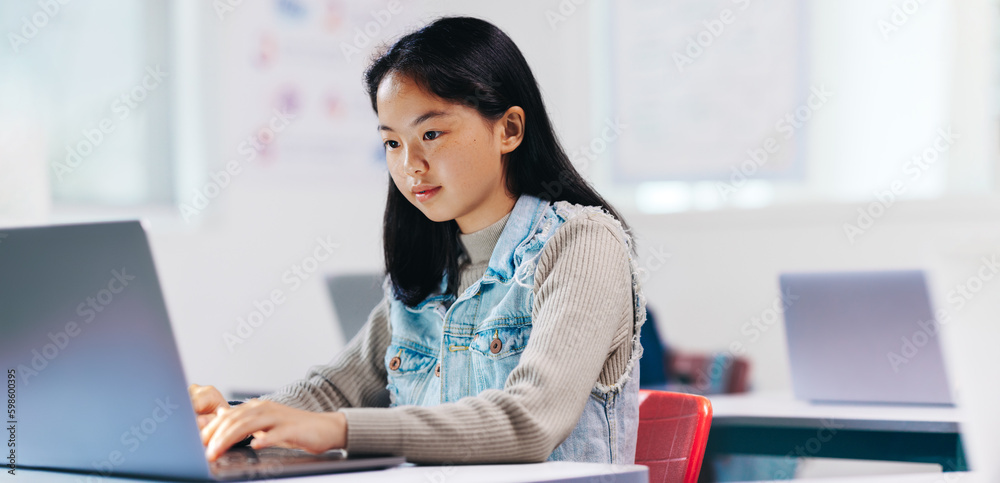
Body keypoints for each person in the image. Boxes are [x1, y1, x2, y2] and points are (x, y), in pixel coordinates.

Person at [191, 16, 646, 465]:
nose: (410, 165)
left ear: (508, 130)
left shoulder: (583, 244)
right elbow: (330, 392)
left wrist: (341, 430)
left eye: (431, 133)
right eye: (392, 142)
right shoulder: (429, 272)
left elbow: (530, 421)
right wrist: (235, 422)